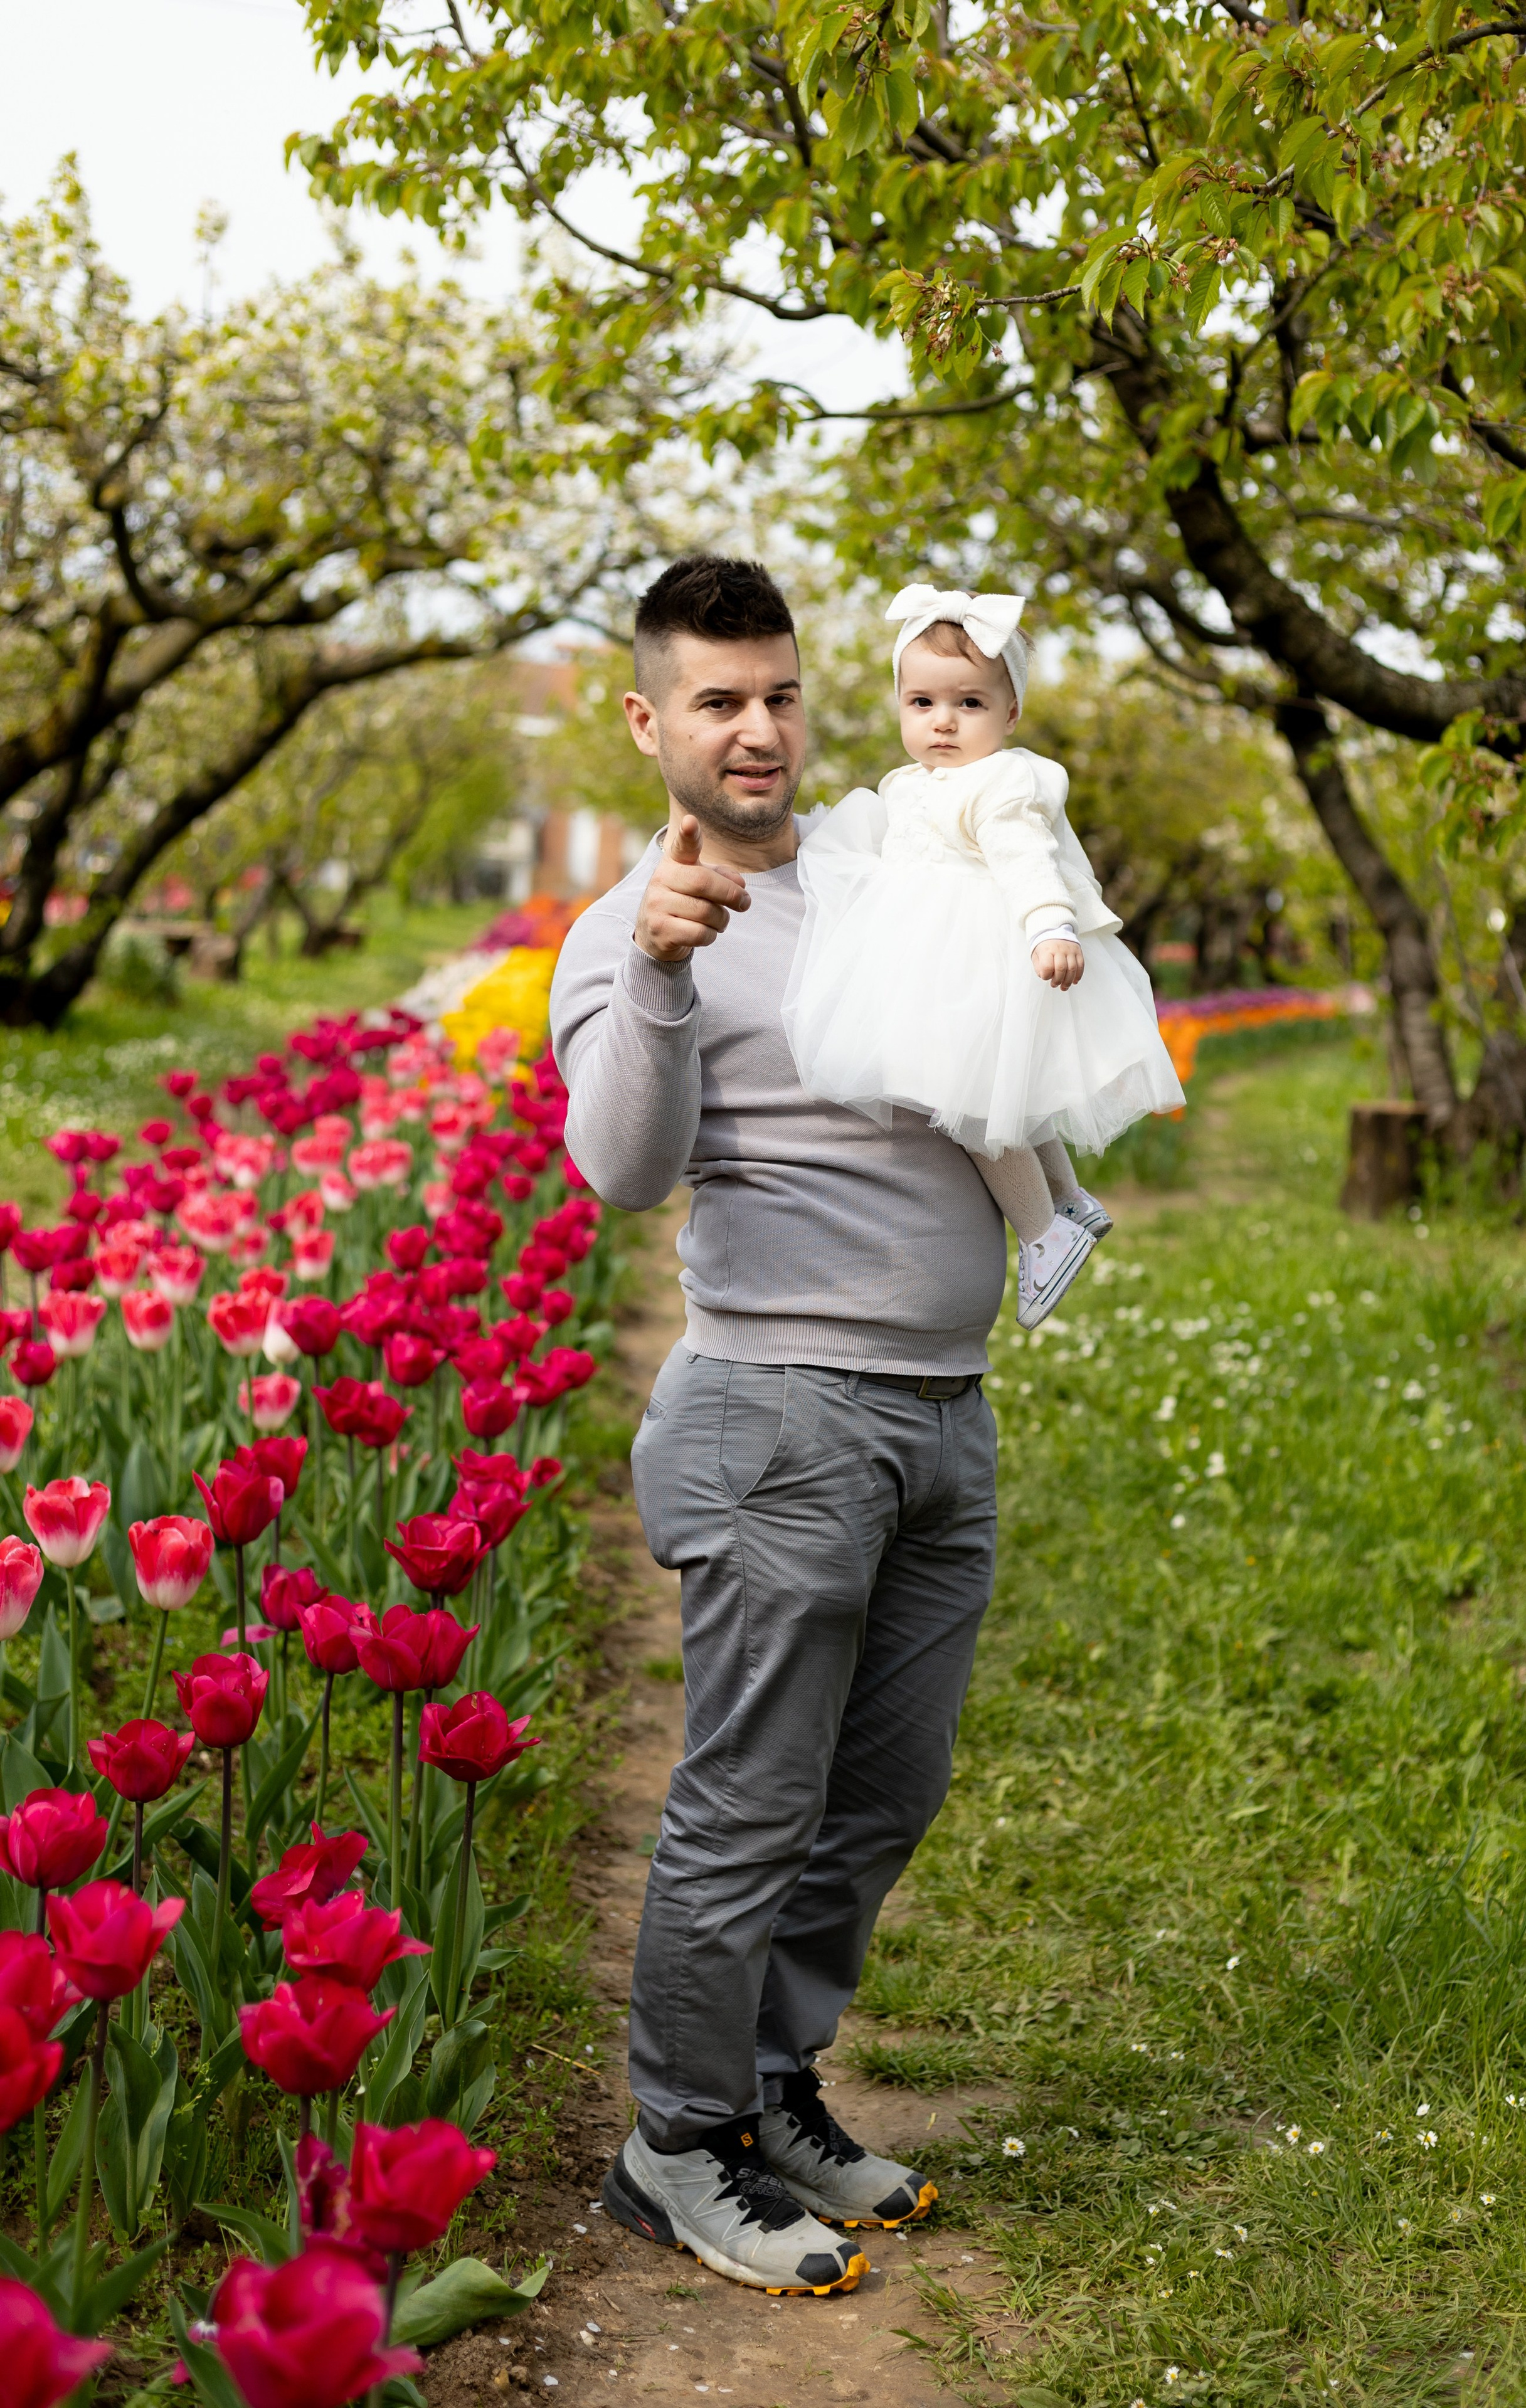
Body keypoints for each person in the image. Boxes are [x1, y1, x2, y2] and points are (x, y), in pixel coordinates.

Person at [550, 554, 1002, 2298]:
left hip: (944, 1413)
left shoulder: (886, 881)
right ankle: (675, 2145)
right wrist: (663, 980)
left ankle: (767, 2087)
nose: (759, 729)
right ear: (648, 720)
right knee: (750, 1803)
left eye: (782, 693)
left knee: (882, 1791)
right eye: (720, 700)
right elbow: (621, 1169)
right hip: (780, 1415)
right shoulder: (629, 929)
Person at [783, 584, 1185, 1329]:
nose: (942, 721)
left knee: (966, 1105)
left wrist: (1049, 926)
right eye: (921, 703)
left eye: (968, 704)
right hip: (939, 962)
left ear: (1009, 715)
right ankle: (1067, 1200)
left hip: (978, 959)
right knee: (1008, 1093)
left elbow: (1027, 856)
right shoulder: (908, 786)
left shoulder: (1000, 783)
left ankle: (1040, 1234)